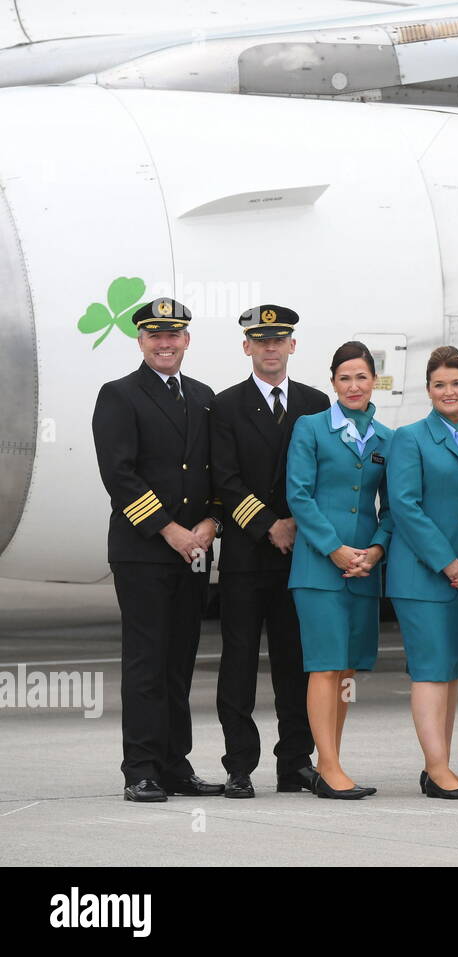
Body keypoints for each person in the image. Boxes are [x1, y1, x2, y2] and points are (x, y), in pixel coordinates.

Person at [91, 298, 225, 802]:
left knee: (179, 661)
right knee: (146, 662)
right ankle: (141, 769)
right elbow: (119, 475)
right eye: (154, 336)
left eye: (174, 335)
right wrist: (170, 529)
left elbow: (213, 470)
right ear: (141, 341)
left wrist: (212, 522)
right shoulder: (119, 395)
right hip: (144, 550)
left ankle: (174, 764)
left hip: (194, 550)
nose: (165, 344)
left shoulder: (204, 396)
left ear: (187, 339)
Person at [210, 305, 330, 799]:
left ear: (292, 346)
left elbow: (326, 473)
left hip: (300, 556)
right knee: (238, 665)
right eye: (261, 341)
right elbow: (224, 479)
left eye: (279, 340)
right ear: (247, 348)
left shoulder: (317, 401)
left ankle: (295, 763)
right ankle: (239, 766)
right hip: (246, 557)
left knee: (294, 662)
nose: (271, 348)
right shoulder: (225, 405)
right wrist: (268, 526)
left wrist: (298, 524)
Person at [285, 340, 392, 800]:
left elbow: (391, 509)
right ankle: (326, 767)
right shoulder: (310, 428)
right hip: (320, 567)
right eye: (344, 377)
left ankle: (334, 762)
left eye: (361, 377)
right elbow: (299, 495)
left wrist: (376, 550)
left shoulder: (388, 438)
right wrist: (334, 549)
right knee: (325, 667)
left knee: (347, 670)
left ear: (374, 382)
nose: (353, 385)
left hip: (363, 569)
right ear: (333, 383)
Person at [387, 347, 458, 800]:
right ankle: (435, 768)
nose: (449, 392)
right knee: (429, 671)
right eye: (439, 385)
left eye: (456, 383)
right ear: (428, 390)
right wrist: (448, 561)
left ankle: (441, 765)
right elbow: (404, 507)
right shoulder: (409, 439)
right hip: (423, 577)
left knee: (450, 672)